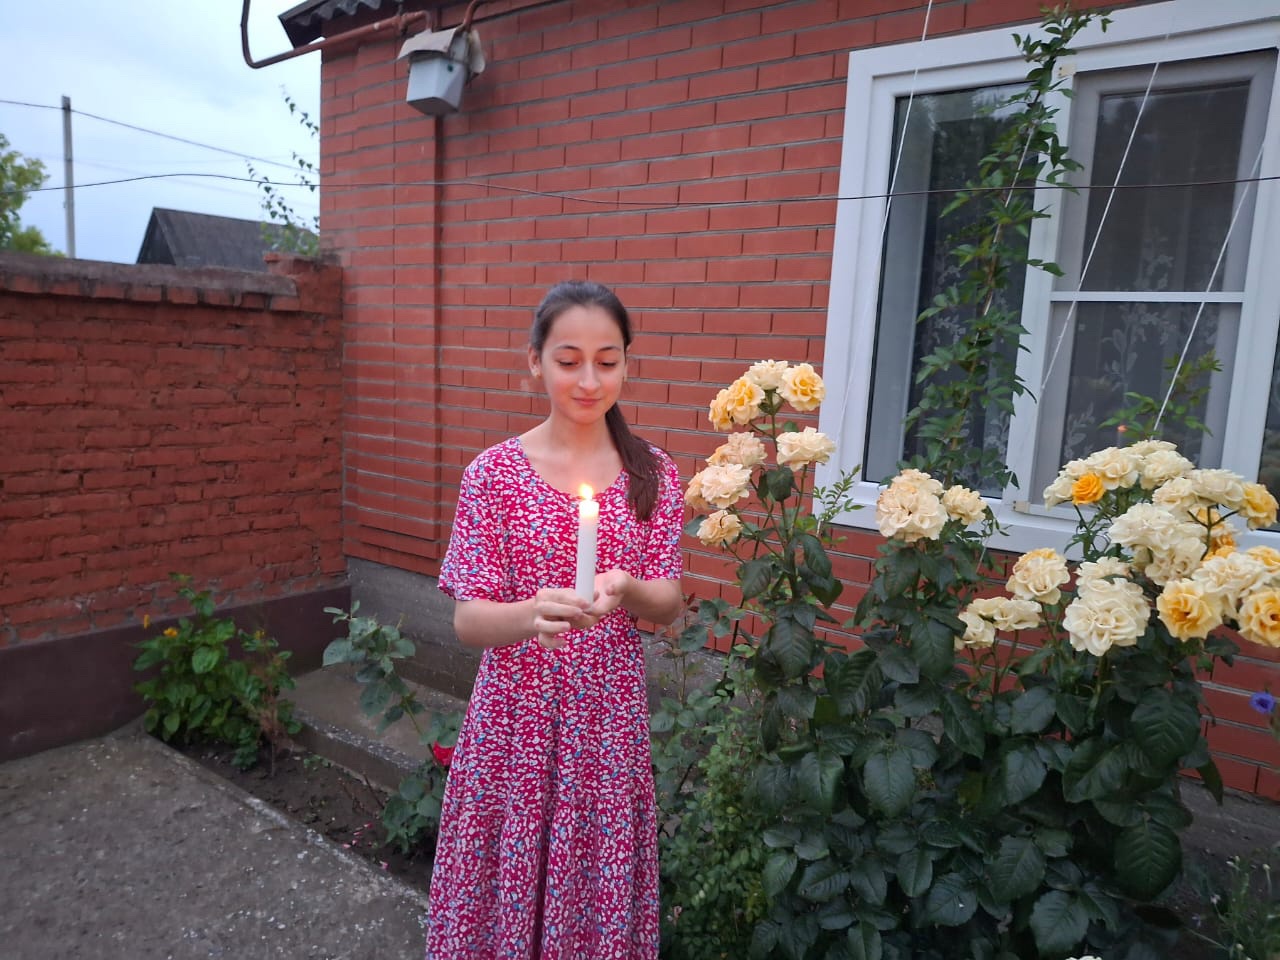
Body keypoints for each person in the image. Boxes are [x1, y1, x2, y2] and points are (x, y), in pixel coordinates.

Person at [425, 280, 685, 959]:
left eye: (608, 360)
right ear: (535, 362)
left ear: (627, 364)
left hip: (606, 725)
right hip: (514, 723)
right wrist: (528, 615)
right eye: (569, 360)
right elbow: (468, 620)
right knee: (502, 893)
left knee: (590, 891)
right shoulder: (493, 475)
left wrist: (628, 587)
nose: (589, 380)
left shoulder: (652, 474)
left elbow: (670, 602)